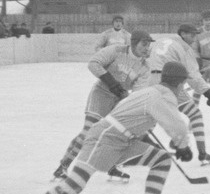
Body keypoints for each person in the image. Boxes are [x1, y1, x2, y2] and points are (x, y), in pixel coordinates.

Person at [12, 60, 193, 194]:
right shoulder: (162, 97)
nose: (183, 89)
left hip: (123, 140)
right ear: (178, 83)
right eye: (183, 84)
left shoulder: (150, 92)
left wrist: (169, 141)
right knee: (76, 183)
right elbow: (178, 126)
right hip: (105, 138)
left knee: (161, 160)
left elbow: (137, 117)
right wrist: (182, 146)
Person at [52, 30, 154, 181]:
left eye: (149, 45)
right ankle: (63, 166)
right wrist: (111, 82)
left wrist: (129, 102)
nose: (147, 48)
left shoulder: (145, 67)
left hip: (118, 101)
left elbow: (138, 92)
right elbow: (94, 63)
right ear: (133, 43)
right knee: (88, 131)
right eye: (144, 44)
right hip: (101, 94)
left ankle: (111, 167)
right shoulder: (116, 50)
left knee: (113, 136)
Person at [148, 23, 210, 165]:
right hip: (169, 82)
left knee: (151, 118)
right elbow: (192, 75)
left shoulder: (162, 40)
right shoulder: (184, 48)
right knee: (195, 114)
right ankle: (202, 154)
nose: (194, 39)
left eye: (195, 35)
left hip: (151, 80)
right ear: (183, 34)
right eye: (191, 35)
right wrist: (208, 92)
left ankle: (131, 150)